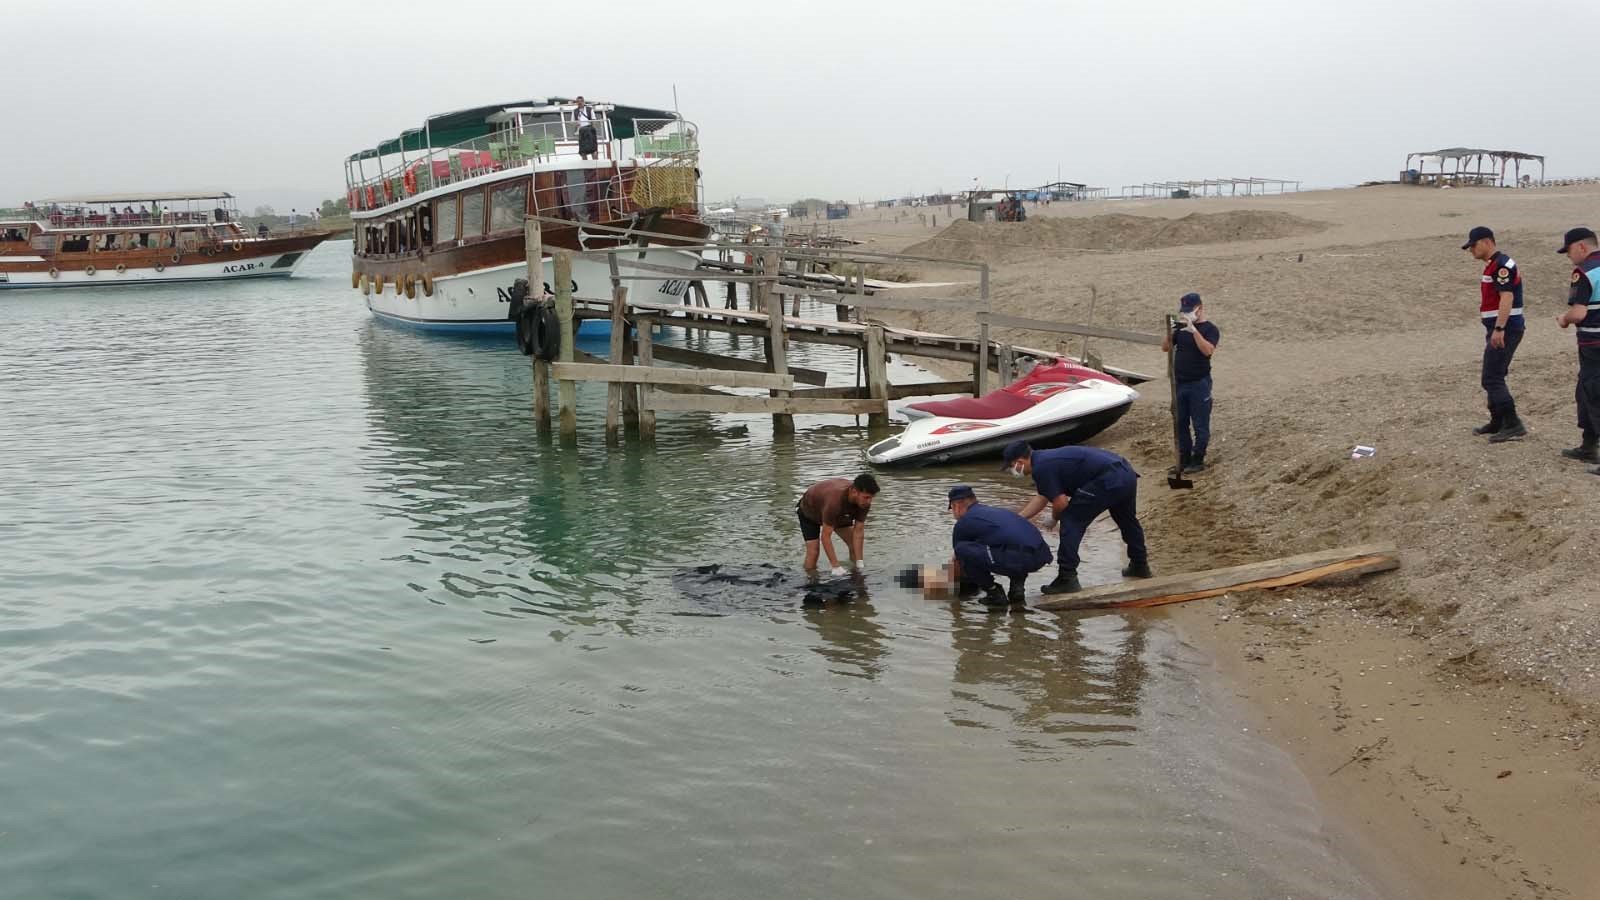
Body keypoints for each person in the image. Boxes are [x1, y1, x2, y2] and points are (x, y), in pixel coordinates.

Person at [1001, 441, 1150, 594]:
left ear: (1020, 461)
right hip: (1125, 473)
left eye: (1011, 467)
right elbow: (1043, 496)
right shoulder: (1045, 459)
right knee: (1127, 520)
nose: (1013, 471)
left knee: (1070, 521)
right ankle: (1140, 565)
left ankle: (1067, 577)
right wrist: (1018, 518)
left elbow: (1061, 502)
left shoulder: (1041, 468)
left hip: (1107, 479)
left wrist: (1054, 518)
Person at [1460, 226, 1527, 441]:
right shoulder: (1494, 265)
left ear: (1487, 242)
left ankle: (1512, 423)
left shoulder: (1501, 266)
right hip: (1500, 327)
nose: (1471, 250)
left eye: (1474, 245)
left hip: (1506, 328)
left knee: (1492, 377)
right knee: (1494, 373)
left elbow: (1506, 298)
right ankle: (1498, 421)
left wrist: (1500, 328)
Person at [946, 485, 1053, 607]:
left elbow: (958, 560)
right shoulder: (998, 512)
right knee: (1008, 545)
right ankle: (1016, 589)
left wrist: (955, 592)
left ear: (957, 506)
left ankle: (994, 593)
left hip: (1021, 558)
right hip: (1041, 556)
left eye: (952, 509)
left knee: (962, 550)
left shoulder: (964, 523)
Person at [1555, 227, 1600, 471]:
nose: (1569, 256)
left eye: (1569, 251)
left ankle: (1591, 446)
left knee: (1593, 393)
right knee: (1585, 391)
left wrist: (1564, 318)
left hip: (1594, 344)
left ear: (1582, 247)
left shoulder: (1584, 272)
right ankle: (1588, 445)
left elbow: (1579, 312)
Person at [1161, 292, 1221, 471]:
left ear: (1199, 308)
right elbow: (1165, 347)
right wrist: (1171, 332)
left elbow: (1208, 351)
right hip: (1180, 383)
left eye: (1189, 311)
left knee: (1200, 423)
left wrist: (1193, 330)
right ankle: (1184, 458)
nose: (1186, 315)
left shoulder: (1210, 329)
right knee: (1180, 422)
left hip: (1199, 384)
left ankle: (1198, 459)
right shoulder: (1181, 330)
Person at [798, 474, 879, 575]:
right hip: (810, 511)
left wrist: (860, 561)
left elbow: (858, 532)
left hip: (838, 513)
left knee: (853, 544)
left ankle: (855, 575)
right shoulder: (834, 502)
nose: (869, 501)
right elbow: (826, 537)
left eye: (871, 498)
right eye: (866, 497)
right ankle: (810, 579)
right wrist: (835, 566)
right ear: (854, 492)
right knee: (813, 552)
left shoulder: (864, 502)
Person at [573, 96, 598, 160]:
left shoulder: (589, 109)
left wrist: (594, 131)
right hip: (581, 131)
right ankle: (587, 168)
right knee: (583, 151)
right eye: (578, 102)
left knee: (593, 150)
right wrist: (576, 125)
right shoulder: (575, 111)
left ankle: (596, 165)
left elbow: (593, 121)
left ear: (584, 102)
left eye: (581, 101)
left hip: (589, 130)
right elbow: (573, 122)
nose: (579, 103)